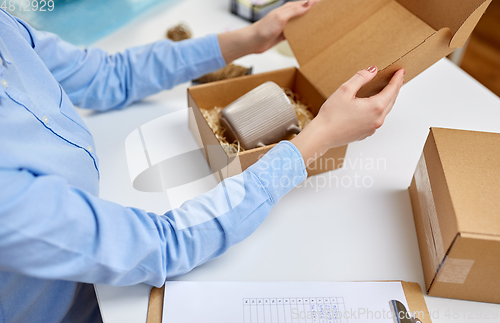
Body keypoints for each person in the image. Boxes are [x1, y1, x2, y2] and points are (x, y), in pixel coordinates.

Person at [0, 1, 404, 322]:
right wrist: (320, 137)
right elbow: (164, 245)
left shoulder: (6, 28)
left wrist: (245, 40)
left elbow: (107, 75)